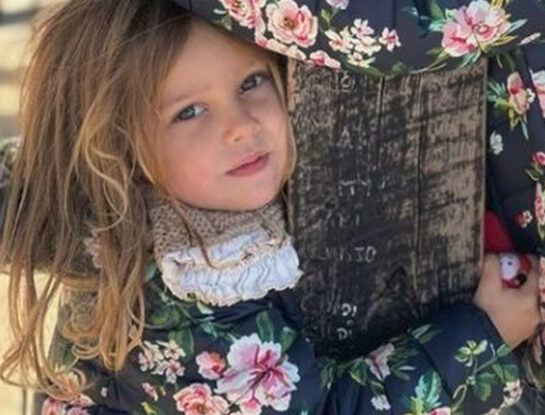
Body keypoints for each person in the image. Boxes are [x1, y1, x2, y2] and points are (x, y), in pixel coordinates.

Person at [0, 1, 540, 413]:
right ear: (119, 148)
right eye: (189, 112)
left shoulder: (205, 198)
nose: (241, 125)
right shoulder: (194, 281)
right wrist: (482, 339)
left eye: (251, 82)